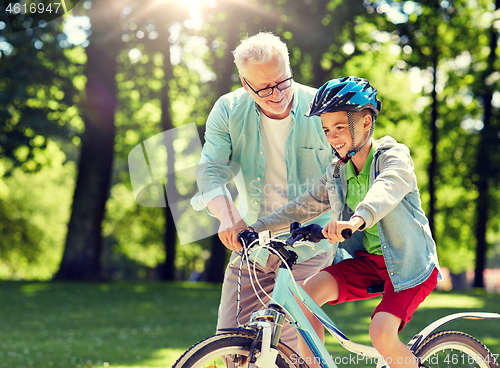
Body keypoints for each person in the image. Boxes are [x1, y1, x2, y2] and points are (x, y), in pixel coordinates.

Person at [245, 76, 442, 368]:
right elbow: (303, 206)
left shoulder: (393, 157)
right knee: (305, 297)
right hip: (369, 263)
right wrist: (256, 228)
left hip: (408, 264)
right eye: (326, 129)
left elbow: (385, 190)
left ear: (365, 122)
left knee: (381, 333)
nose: (332, 136)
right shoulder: (338, 171)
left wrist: (357, 219)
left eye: (339, 127)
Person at [190, 32, 335, 353]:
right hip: (252, 241)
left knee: (289, 347)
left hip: (310, 244)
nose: (277, 94)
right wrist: (227, 216)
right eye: (264, 88)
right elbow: (210, 168)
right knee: (229, 345)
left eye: (283, 82)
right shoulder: (228, 110)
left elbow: (349, 171)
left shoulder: (322, 110)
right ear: (245, 83)